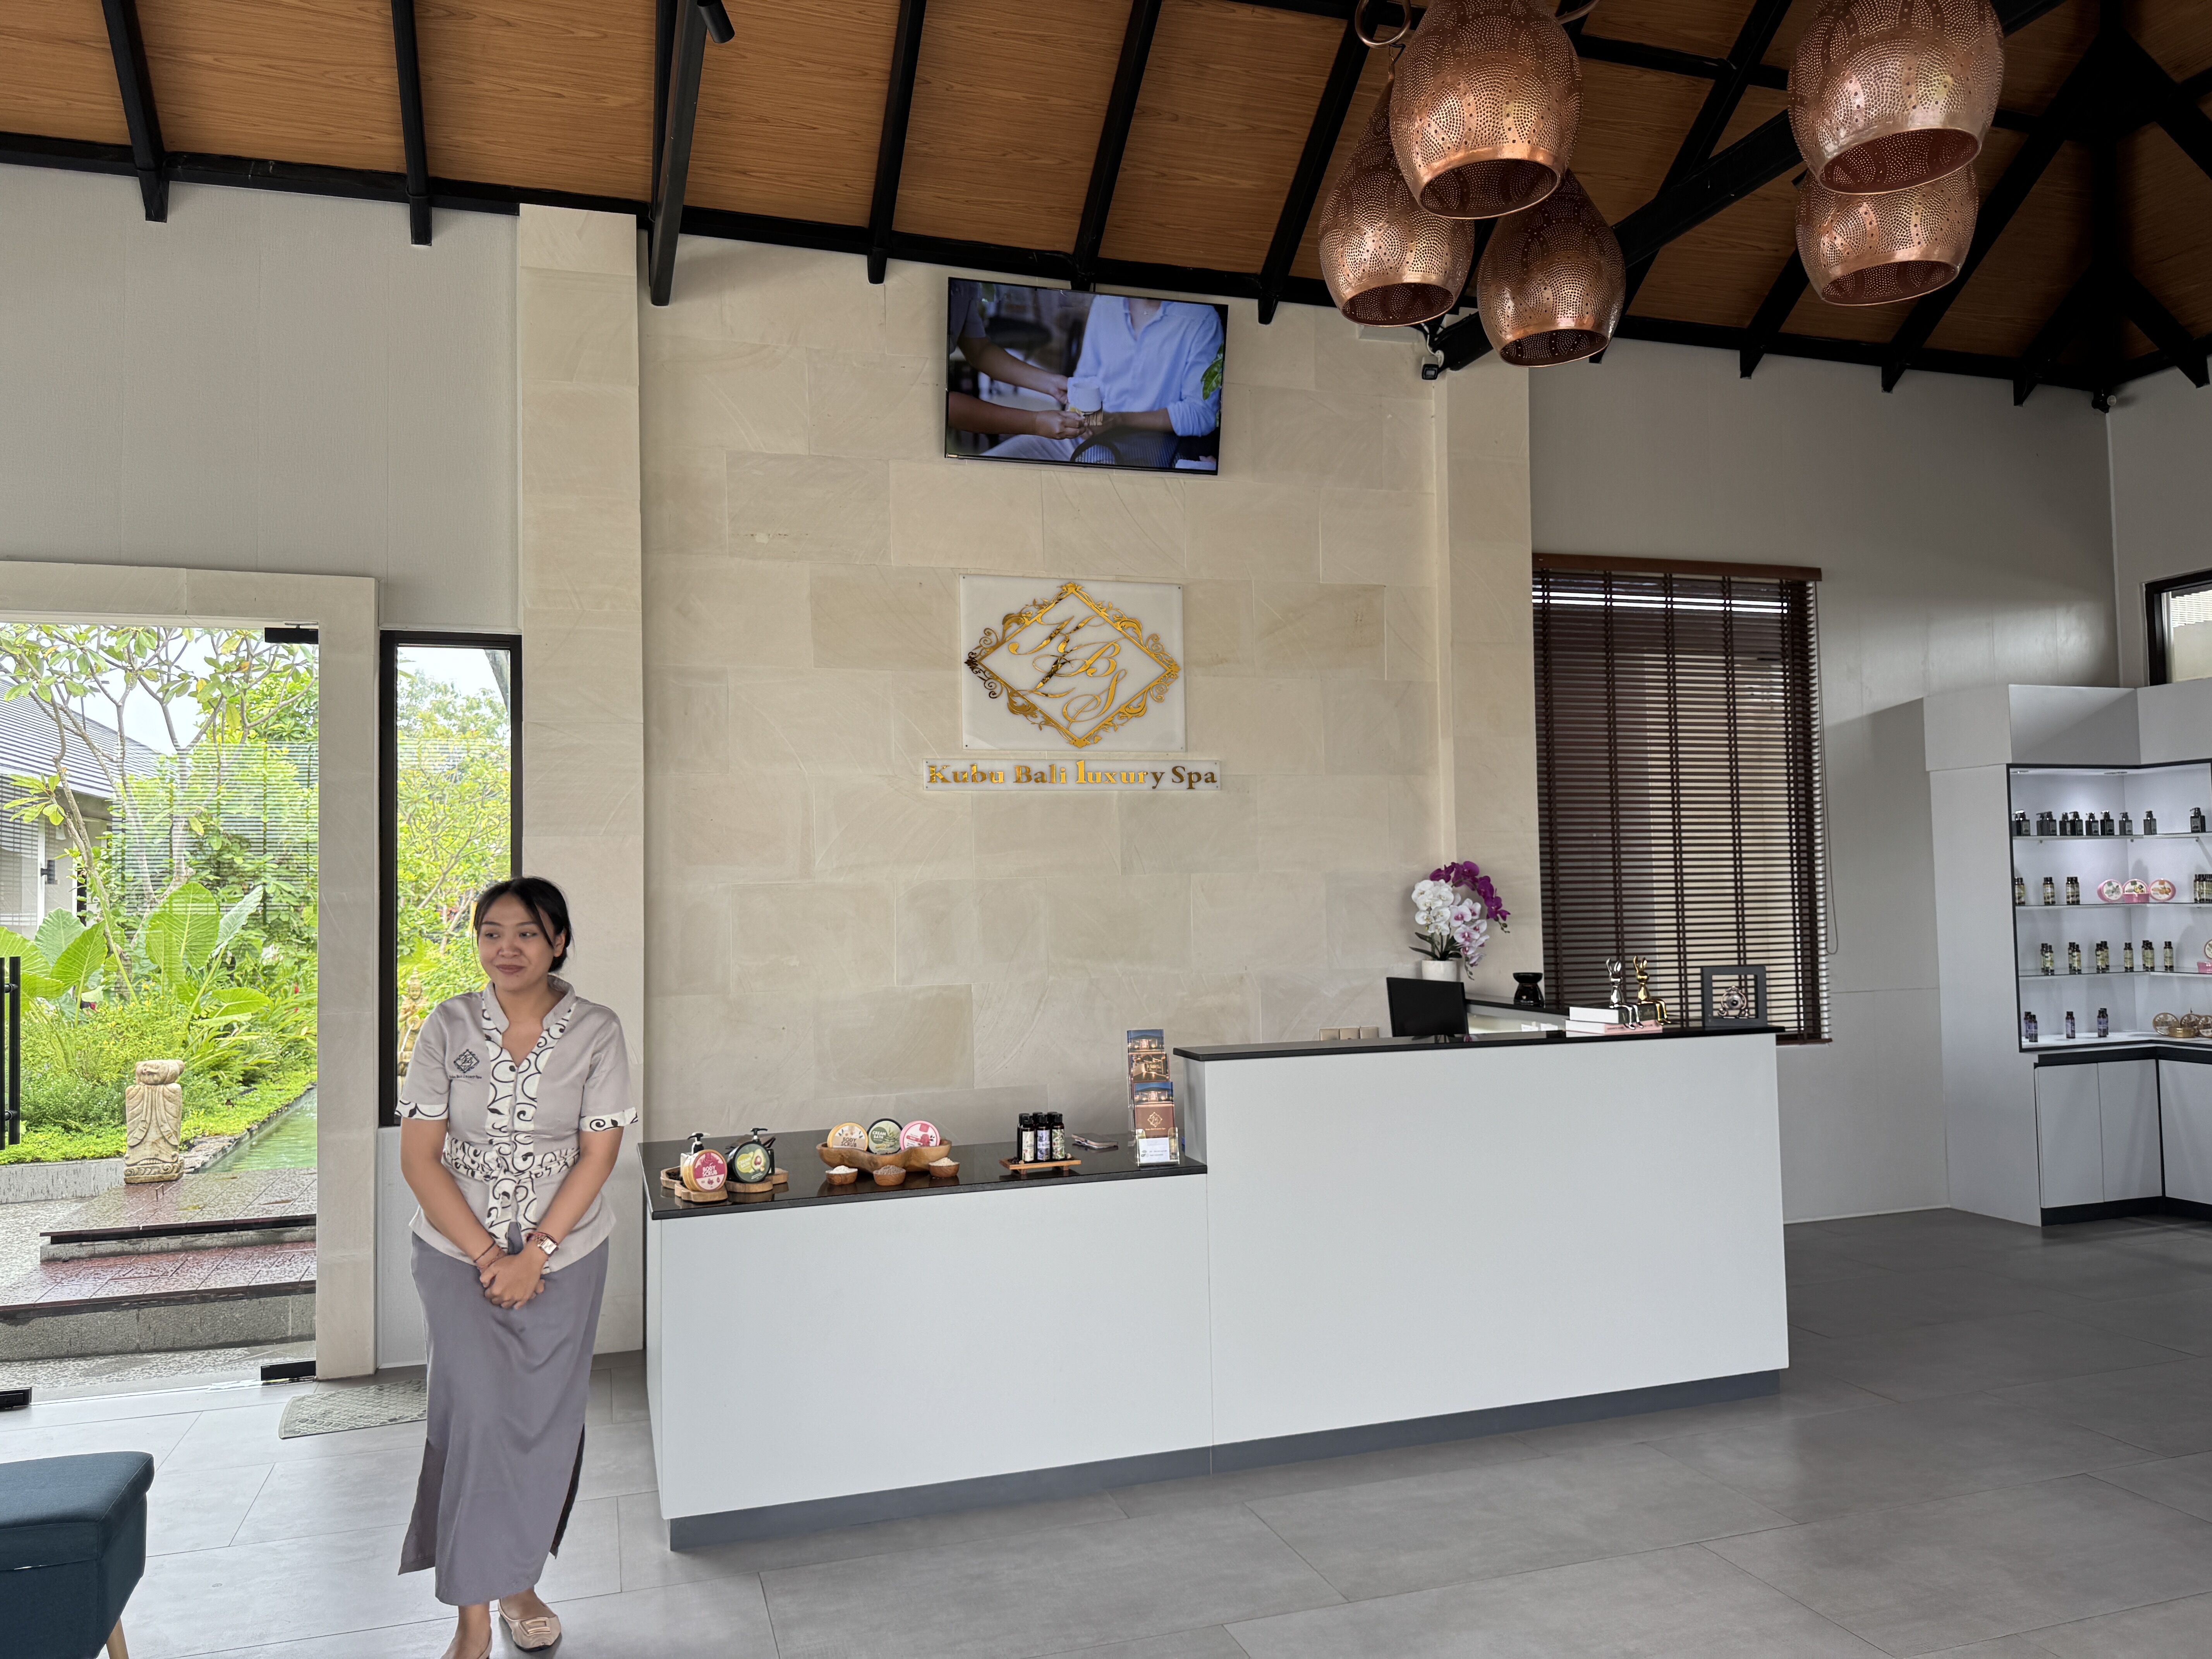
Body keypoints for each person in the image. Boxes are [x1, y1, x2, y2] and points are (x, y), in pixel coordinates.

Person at [397, 876, 635, 1659]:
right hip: (454, 1256)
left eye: (527, 933)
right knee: (474, 1419)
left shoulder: (597, 1030)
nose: (507, 948)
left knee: (542, 1424)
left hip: (568, 1255)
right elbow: (420, 1158)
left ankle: (519, 1581)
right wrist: (487, 1255)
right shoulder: (446, 1025)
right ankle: (472, 1615)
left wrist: (537, 1254)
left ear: (558, 941)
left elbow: (599, 1153)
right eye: (491, 932)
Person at [989, 294, 1223, 468]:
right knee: (994, 464)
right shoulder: (1106, 302)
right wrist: (1082, 419)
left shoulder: (1200, 317)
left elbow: (1201, 414)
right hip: (1088, 435)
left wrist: (1118, 420)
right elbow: (1085, 378)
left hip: (1150, 446)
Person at [946, 277, 1087, 443]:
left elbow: (979, 350)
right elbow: (940, 404)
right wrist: (1036, 423)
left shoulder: (964, 283)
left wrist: (1052, 383)